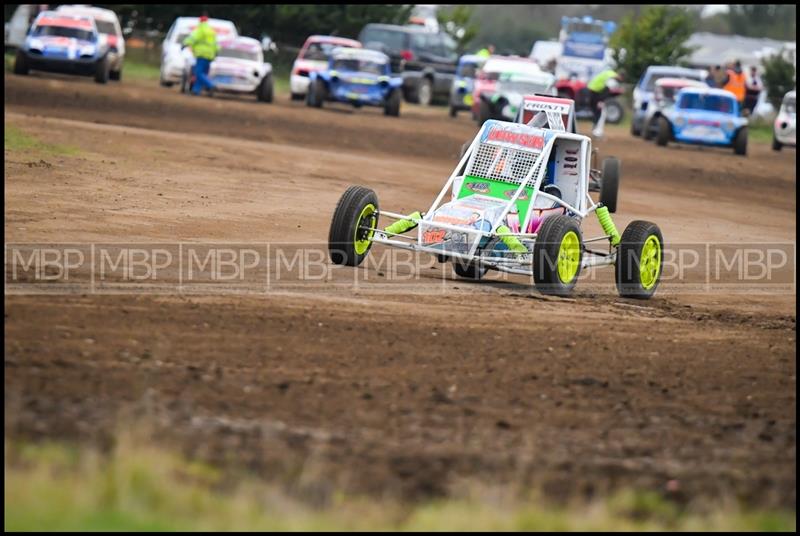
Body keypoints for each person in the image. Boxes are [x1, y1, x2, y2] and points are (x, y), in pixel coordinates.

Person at [183, 14, 219, 96]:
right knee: (203, 73)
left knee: (198, 73)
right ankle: (196, 91)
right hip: (210, 56)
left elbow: (192, 38)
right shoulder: (211, 31)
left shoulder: (200, 30)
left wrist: (185, 44)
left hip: (201, 54)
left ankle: (211, 85)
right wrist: (215, 53)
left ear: (200, 21)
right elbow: (216, 44)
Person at [587, 68, 621, 136]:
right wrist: (601, 101)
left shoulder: (609, 73)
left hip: (591, 91)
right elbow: (606, 90)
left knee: (597, 112)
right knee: (601, 113)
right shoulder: (612, 78)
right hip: (596, 94)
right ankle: (597, 131)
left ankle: (594, 129)